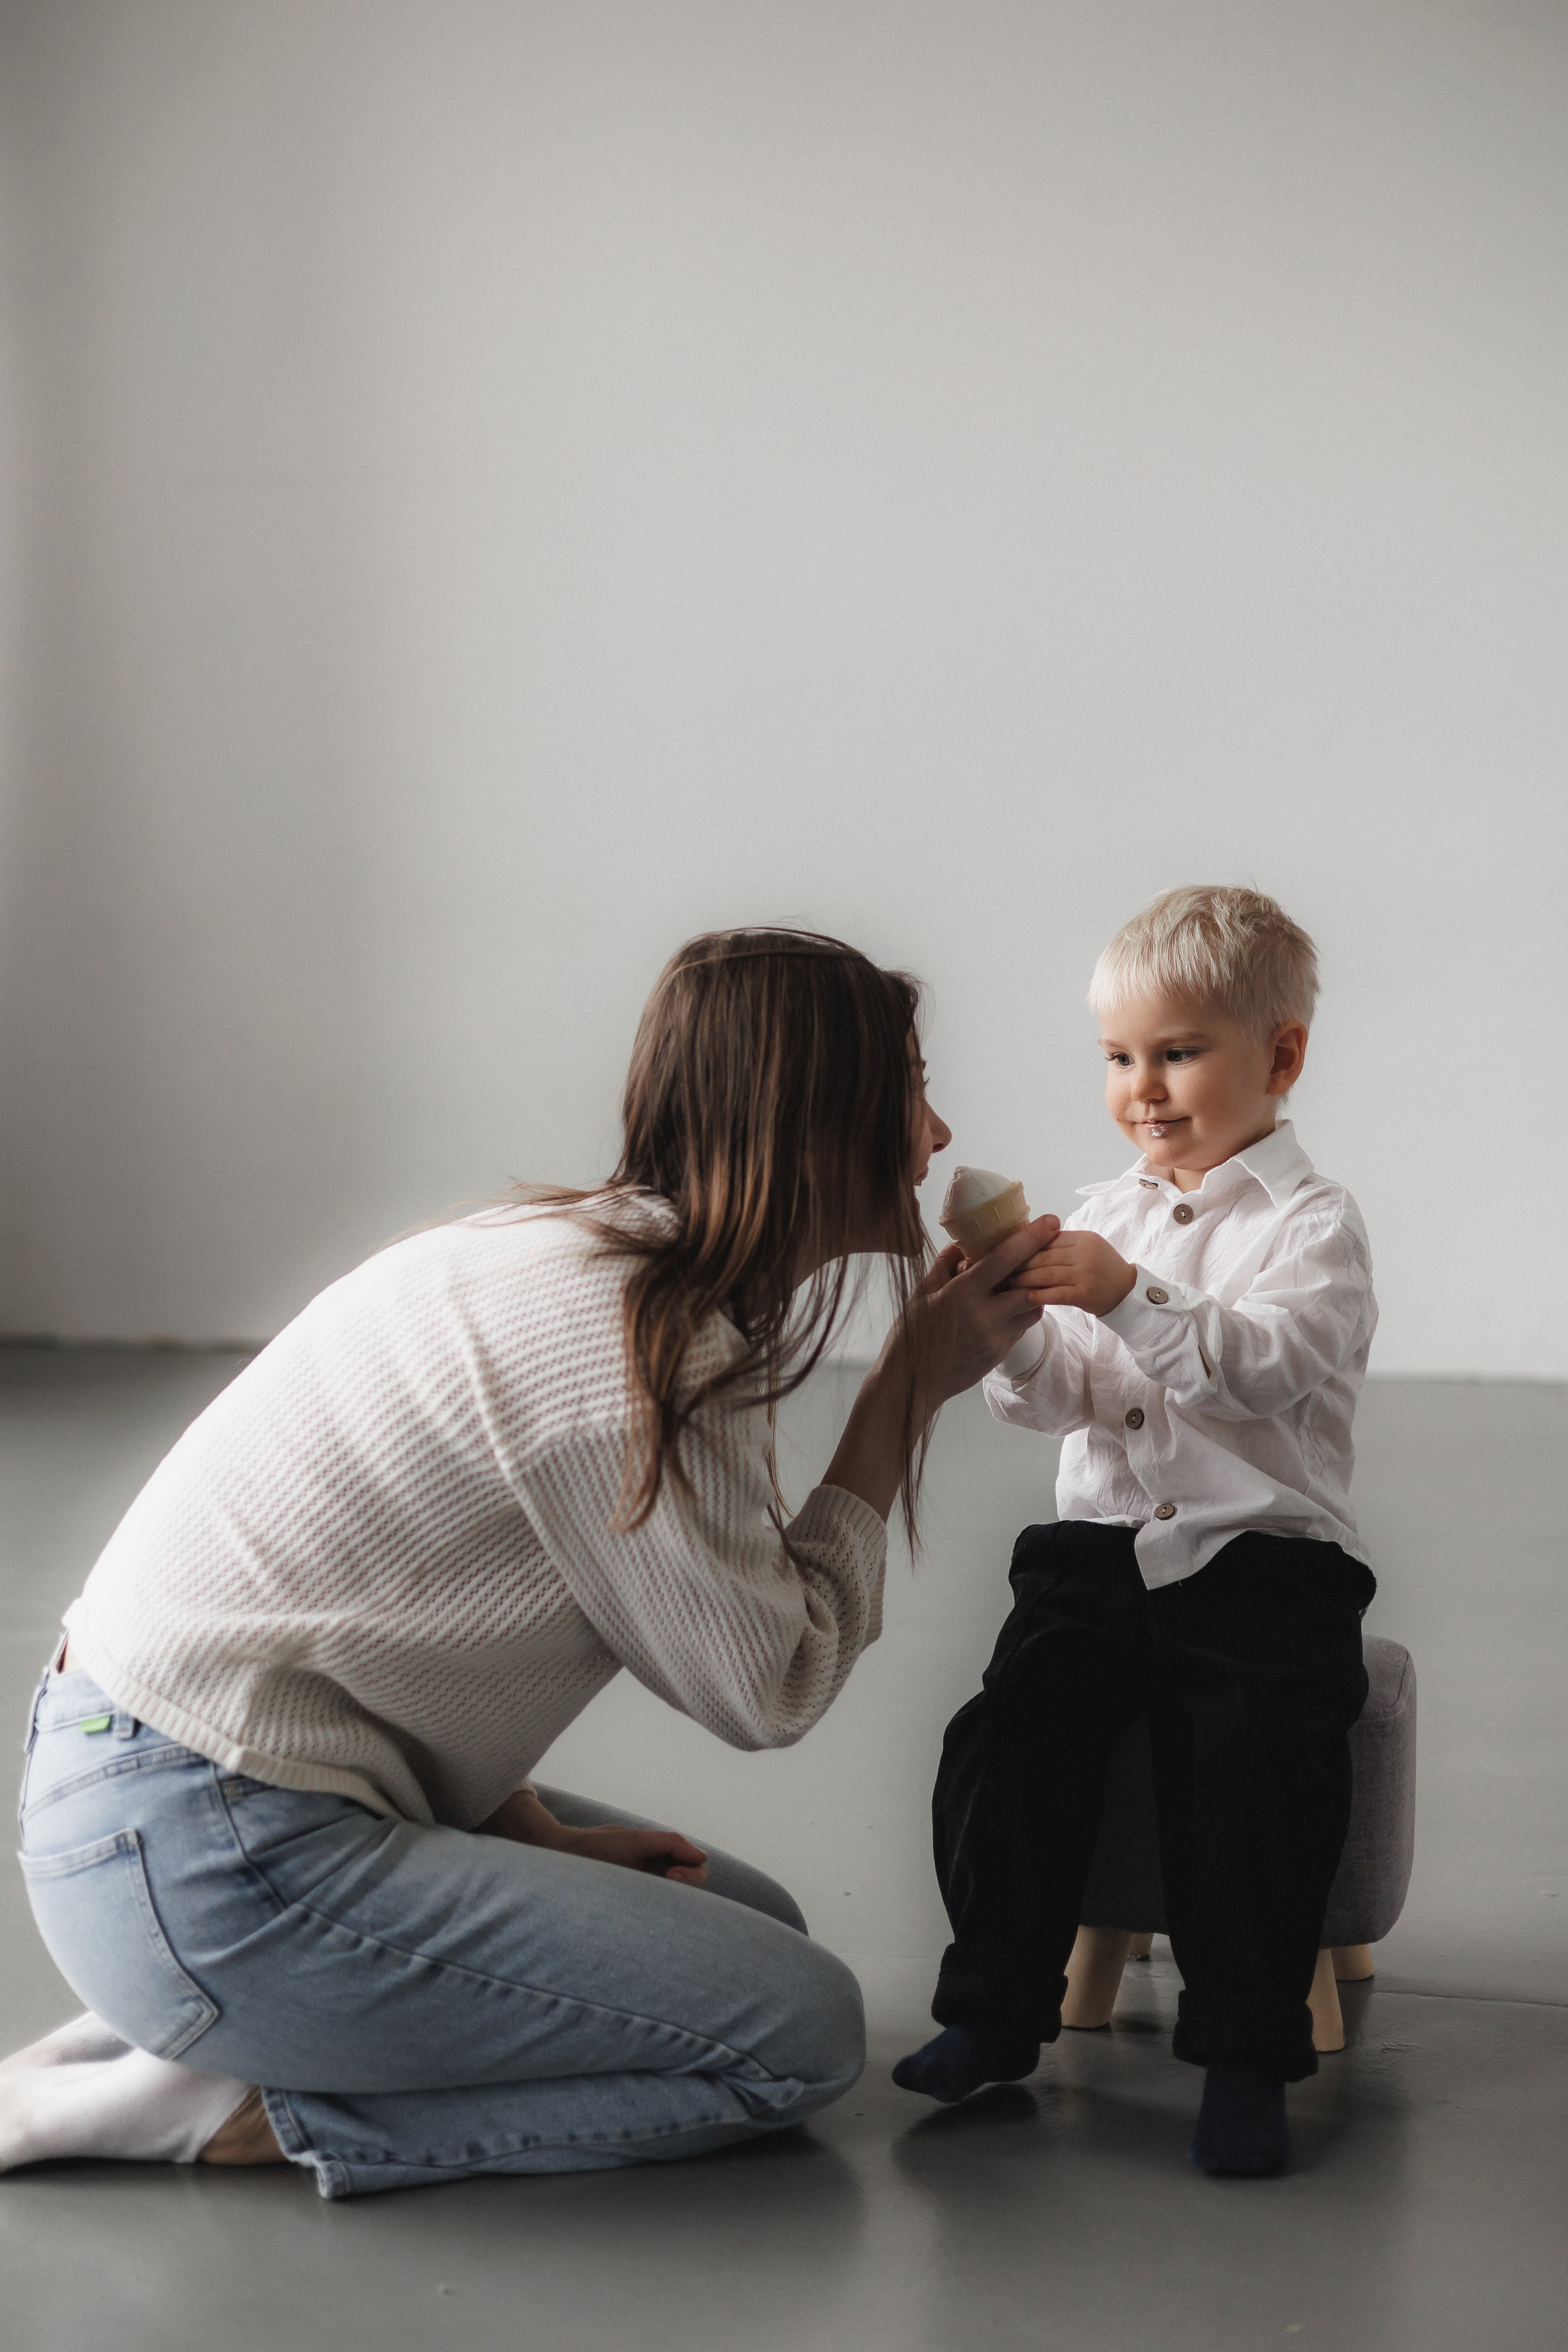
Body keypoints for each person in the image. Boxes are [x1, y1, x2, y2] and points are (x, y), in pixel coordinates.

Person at [2, 928, 1058, 2198]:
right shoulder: (642, 1354)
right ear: (818, 1124)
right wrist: (903, 1395)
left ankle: (227, 2032)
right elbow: (768, 1688)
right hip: (208, 1858)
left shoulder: (572, 1254)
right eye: (909, 1091)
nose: (937, 1135)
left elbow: (398, 1609)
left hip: (162, 1799)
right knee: (796, 2037)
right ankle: (219, 2106)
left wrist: (525, 1830)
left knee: (752, 1930)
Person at [892, 886, 1378, 2179]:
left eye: (1176, 1052)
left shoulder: (1309, 1225)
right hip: (1100, 1548)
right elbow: (1060, 1397)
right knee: (1005, 1740)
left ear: (1277, 1056)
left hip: (1260, 1558)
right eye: (1118, 1058)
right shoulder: (1096, 1211)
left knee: (1255, 1761)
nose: (1142, 1089)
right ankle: (994, 2010)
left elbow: (1263, 1372)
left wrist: (1131, 1296)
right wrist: (1008, 1335)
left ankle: (1240, 2053)